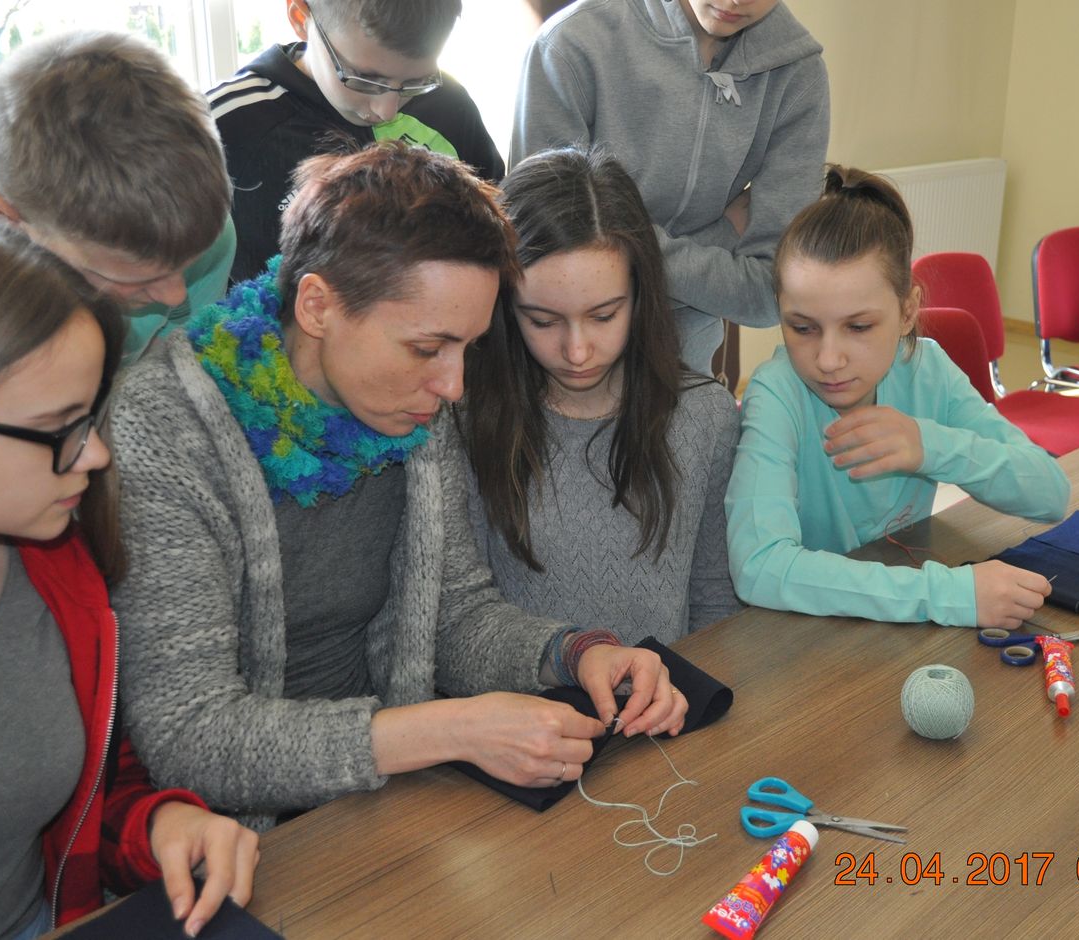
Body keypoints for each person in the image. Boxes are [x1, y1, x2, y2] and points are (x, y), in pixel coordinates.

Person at [108, 143, 685, 833]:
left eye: (467, 348)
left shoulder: (412, 409)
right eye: (427, 348)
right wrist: (447, 731)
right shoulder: (165, 427)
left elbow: (455, 615)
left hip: (383, 810)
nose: (454, 386)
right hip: (235, 845)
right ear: (317, 306)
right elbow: (190, 733)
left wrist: (575, 653)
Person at [0, 206, 258, 940]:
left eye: (91, 418)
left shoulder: (52, 567)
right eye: (57, 429)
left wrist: (160, 824)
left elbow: (84, 785)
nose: (95, 455)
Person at [724, 168, 1070, 629]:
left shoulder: (928, 369)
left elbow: (1050, 493)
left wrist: (930, 446)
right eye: (802, 328)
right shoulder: (777, 392)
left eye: (858, 327)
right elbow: (759, 567)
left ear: (908, 311)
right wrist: (947, 593)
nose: (828, 359)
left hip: (895, 618)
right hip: (807, 635)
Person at [462, 147, 741, 647]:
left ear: (641, 294)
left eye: (604, 315)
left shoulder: (705, 416)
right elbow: (461, 622)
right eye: (542, 320)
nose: (577, 351)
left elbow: (715, 605)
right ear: (505, 307)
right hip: (519, 699)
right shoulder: (468, 418)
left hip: (670, 695)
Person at [512, 0, 830, 377]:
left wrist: (619, 245)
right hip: (556, 366)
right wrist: (725, 234)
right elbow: (553, 258)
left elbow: (770, 294)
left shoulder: (799, 75)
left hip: (684, 370)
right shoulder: (569, 44)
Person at [0, 32, 234, 365]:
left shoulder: (199, 232)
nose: (176, 296)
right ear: (5, 219)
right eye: (137, 280)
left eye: (185, 268)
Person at [208, 0, 504, 284]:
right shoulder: (224, 127)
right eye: (364, 79)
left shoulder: (449, 105)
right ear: (300, 18)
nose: (386, 110)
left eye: (415, 82)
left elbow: (495, 240)